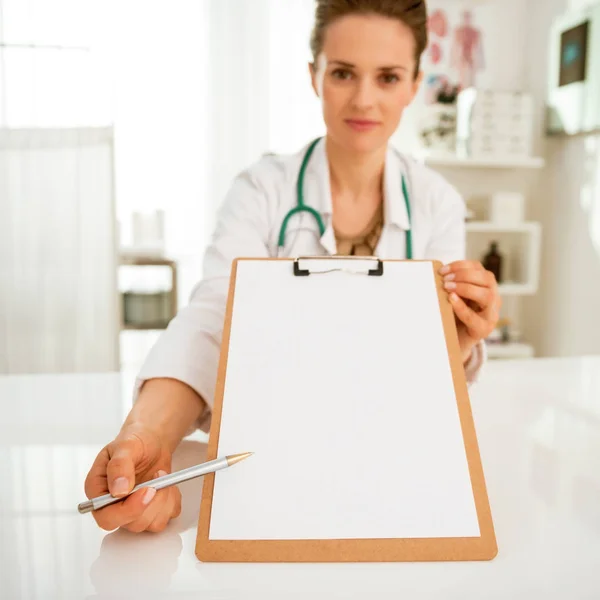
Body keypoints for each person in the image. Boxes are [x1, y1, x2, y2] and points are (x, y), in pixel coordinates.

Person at [85, 0, 501, 534]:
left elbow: (426, 361)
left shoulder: (436, 203)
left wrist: (460, 336)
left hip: (385, 458)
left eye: (389, 77)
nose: (364, 99)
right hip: (270, 454)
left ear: (414, 84)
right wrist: (147, 437)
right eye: (343, 73)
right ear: (314, 76)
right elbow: (213, 320)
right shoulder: (262, 189)